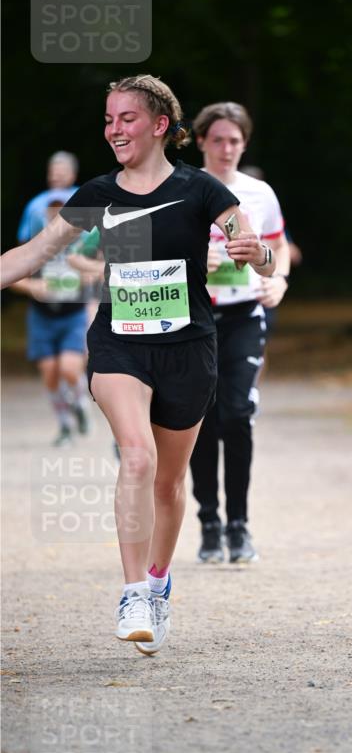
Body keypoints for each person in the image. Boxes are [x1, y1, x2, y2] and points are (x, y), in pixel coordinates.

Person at [0, 75, 276, 654]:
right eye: (108, 120)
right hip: (119, 343)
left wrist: (259, 255)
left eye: (126, 119)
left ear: (158, 126)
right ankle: (132, 594)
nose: (113, 130)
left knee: (171, 482)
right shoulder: (99, 193)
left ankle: (157, 581)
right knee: (137, 456)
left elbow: (254, 244)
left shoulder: (201, 189)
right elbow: (35, 253)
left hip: (189, 346)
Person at [189, 102, 290, 564]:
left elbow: (276, 245)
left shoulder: (259, 193)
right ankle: (209, 523)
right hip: (193, 318)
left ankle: (240, 525)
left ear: (244, 143)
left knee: (237, 412)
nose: (226, 149)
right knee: (201, 420)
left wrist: (278, 278)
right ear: (201, 141)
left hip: (245, 313)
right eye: (217, 140)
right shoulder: (182, 188)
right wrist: (194, 261)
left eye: (234, 141)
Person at [10, 198, 96, 445]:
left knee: (70, 368)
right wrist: (33, 286)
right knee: (50, 373)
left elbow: (98, 273)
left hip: (73, 315)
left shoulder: (82, 244)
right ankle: (64, 426)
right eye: (52, 215)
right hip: (42, 316)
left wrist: (76, 280)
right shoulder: (34, 246)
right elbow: (14, 276)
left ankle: (79, 405)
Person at [17, 151, 79, 242]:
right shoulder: (35, 204)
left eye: (61, 174)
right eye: (53, 174)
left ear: (73, 175)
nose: (55, 178)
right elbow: (23, 240)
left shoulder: (87, 196)